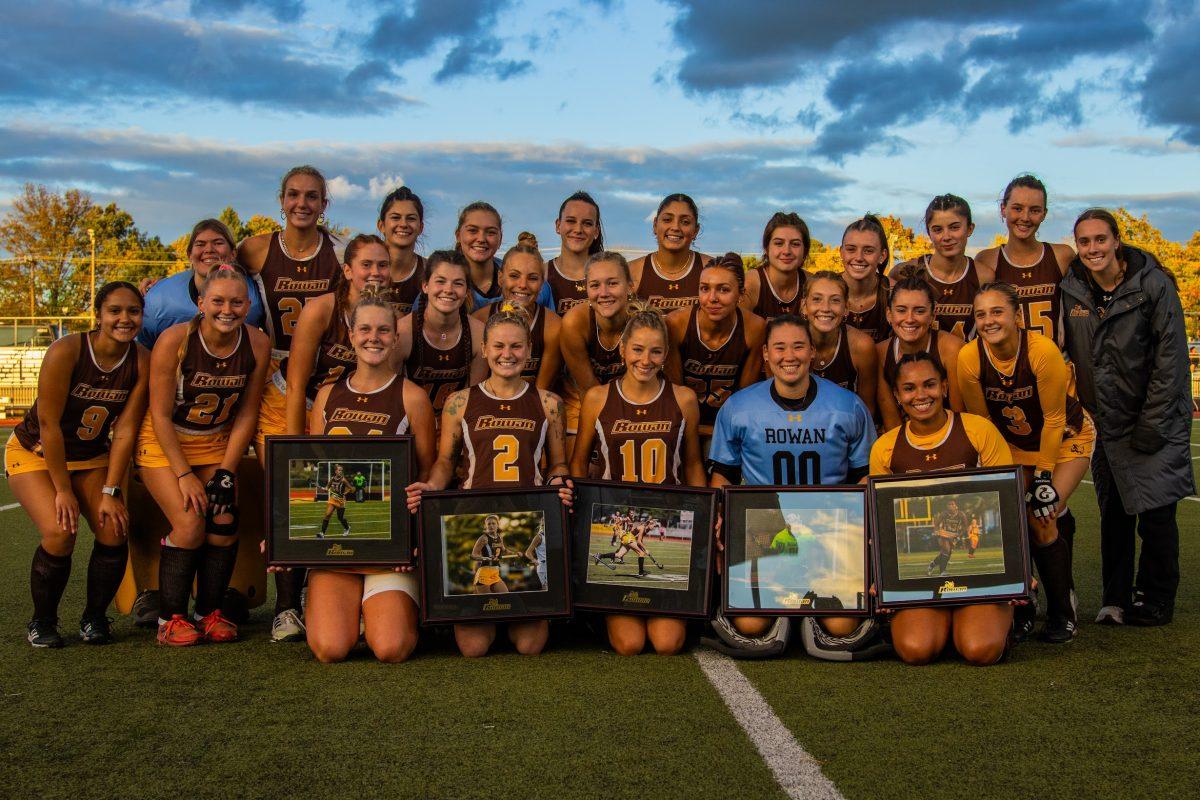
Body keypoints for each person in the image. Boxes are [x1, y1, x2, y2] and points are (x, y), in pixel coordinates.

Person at [707, 315, 877, 658]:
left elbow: (864, 477)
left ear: (812, 351)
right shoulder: (740, 407)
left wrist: (861, 535)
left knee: (841, 625)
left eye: (798, 346)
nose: (790, 356)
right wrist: (722, 520)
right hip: (765, 528)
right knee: (751, 625)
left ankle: (806, 613)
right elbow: (723, 475)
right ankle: (787, 608)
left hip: (827, 527)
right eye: (780, 347)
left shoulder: (846, 405)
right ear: (766, 354)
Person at [405, 305, 571, 657]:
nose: (506, 355)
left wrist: (560, 483)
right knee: (473, 647)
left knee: (530, 646)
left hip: (526, 517)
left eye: (515, 346)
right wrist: (433, 487)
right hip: (474, 509)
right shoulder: (460, 402)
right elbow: (445, 462)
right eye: (498, 346)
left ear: (528, 350)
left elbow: (557, 463)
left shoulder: (549, 403)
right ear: (485, 347)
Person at [1060, 209, 1194, 626]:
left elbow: (1170, 361)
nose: (1093, 248)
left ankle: (1156, 599)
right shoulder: (1072, 289)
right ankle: (1114, 598)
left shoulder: (1153, 285)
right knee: (1114, 515)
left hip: (1151, 416)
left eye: (1101, 239)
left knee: (1156, 514)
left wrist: (1152, 424)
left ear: (1117, 241)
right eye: (1085, 242)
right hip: (1103, 420)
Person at [8, 283, 150, 647]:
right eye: (115, 310)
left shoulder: (141, 360)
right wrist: (62, 490)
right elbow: (49, 425)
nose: (124, 318)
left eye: (133, 311)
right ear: (98, 314)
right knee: (60, 531)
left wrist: (110, 490)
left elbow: (126, 430)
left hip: (90, 457)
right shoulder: (67, 350)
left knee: (113, 528)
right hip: (35, 453)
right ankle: (42, 621)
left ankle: (95, 617)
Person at [135, 266, 271, 646]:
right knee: (192, 523)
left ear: (248, 305)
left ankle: (208, 611)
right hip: (166, 442)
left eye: (236, 302)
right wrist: (183, 475)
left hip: (214, 441)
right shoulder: (175, 341)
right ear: (200, 303)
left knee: (224, 518)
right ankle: (170, 617)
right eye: (218, 301)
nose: (227, 309)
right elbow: (160, 415)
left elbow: (246, 411)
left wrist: (226, 471)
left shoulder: (257, 342)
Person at [238, 165, 342, 642]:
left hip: (323, 377)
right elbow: (217, 286)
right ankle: (285, 606)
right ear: (281, 199)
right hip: (276, 378)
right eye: (294, 195)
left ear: (325, 204)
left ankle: (313, 590)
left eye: (313, 197)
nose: (303, 203)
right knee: (283, 487)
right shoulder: (255, 248)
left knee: (317, 486)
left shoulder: (338, 254)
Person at [305, 293, 436, 663]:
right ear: (350, 335)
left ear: (396, 338)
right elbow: (312, 470)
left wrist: (411, 534)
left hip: (389, 550)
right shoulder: (328, 395)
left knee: (391, 648)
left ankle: (389, 606)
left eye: (383, 330)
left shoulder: (412, 398)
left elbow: (426, 472)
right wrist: (289, 539)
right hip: (339, 552)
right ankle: (339, 605)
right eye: (364, 329)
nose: (373, 337)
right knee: (331, 648)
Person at [959, 282, 1091, 642]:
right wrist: (997, 475)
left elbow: (1053, 419)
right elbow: (983, 423)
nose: (988, 320)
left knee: (1041, 514)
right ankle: (1023, 604)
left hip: (1065, 439)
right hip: (1014, 445)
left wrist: (1044, 476)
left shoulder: (1042, 351)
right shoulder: (970, 357)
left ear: (1017, 315)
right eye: (981, 314)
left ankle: (1064, 610)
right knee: (1005, 516)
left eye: (997, 311)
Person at [571, 304, 706, 655]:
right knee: (629, 644)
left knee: (667, 643)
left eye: (656, 351)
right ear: (622, 348)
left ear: (666, 355)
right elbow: (579, 465)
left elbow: (692, 465)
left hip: (669, 518)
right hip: (616, 517)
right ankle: (595, 612)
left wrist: (704, 520)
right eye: (638, 349)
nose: (645, 359)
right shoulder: (598, 398)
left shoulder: (683, 399)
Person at [869, 352, 1018, 665]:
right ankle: (944, 621)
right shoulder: (885, 446)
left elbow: (1009, 506)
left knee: (981, 650)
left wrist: (1019, 573)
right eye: (909, 388)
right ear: (897, 396)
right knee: (916, 649)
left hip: (978, 579)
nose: (921, 395)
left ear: (945, 387)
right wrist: (881, 579)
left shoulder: (978, 431)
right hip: (919, 585)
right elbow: (880, 524)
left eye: (929, 385)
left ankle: (988, 617)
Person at [284, 234, 391, 435]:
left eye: (383, 265)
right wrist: (295, 447)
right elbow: (294, 386)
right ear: (348, 271)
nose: (376, 272)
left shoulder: (392, 317)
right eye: (366, 265)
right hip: (297, 404)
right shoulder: (321, 309)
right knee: (292, 466)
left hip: (343, 412)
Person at [665, 253, 765, 441]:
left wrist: (721, 434)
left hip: (729, 426)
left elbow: (745, 401)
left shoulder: (755, 328)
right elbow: (674, 397)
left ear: (741, 294)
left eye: (723, 290)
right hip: (683, 423)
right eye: (704, 289)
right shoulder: (677, 323)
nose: (712, 298)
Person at [974, 175, 1074, 344]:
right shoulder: (987, 260)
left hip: (1053, 363)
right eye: (1017, 208)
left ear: (1044, 214)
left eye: (1034, 210)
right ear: (1003, 209)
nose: (1025, 217)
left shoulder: (1061, 255)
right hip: (1007, 365)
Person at [139, 219, 264, 348]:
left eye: (218, 243)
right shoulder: (158, 299)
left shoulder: (255, 294)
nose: (209, 249)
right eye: (200, 244)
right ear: (189, 255)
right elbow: (143, 351)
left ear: (233, 253)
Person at [395, 250, 487, 418]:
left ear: (467, 290)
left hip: (457, 423)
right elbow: (392, 399)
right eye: (440, 281)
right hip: (411, 424)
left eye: (458, 283)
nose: (448, 290)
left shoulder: (479, 334)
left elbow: (474, 402)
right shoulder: (403, 333)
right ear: (425, 286)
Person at [559, 251, 635, 451]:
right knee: (582, 456)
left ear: (630, 286)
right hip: (581, 398)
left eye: (612, 283)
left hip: (631, 399)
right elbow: (588, 390)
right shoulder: (575, 322)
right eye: (595, 285)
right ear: (586, 289)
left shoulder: (643, 323)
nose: (603, 293)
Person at [896, 195, 994, 341]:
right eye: (937, 230)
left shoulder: (983, 276)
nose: (946, 236)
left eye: (954, 227)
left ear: (970, 228)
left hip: (963, 362)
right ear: (929, 233)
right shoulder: (906, 272)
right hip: (919, 362)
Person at [876, 271, 965, 431]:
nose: (910, 319)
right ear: (889, 314)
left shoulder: (951, 349)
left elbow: (961, 417)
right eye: (901, 310)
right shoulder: (880, 353)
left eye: (919, 311)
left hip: (949, 436)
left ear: (932, 315)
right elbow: (892, 425)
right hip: (906, 440)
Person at [472, 244, 563, 389]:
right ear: (500, 278)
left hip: (532, 405)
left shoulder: (553, 326)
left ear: (541, 284)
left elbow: (541, 391)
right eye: (514, 276)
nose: (522, 285)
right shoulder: (479, 321)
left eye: (532, 278)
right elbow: (477, 388)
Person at [803, 271, 878, 418]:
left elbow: (867, 410)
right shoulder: (788, 342)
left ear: (846, 308)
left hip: (845, 428)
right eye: (817, 299)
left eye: (835, 300)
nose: (825, 308)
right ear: (804, 306)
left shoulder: (861, 346)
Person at [453, 201, 553, 310]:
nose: (481, 239)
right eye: (472, 230)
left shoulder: (538, 287)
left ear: (500, 238)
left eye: (491, 232)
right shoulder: (442, 280)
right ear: (458, 235)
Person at [629, 194, 712, 310]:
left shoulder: (712, 269)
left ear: (695, 231)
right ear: (655, 225)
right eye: (667, 220)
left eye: (685, 222)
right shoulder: (632, 271)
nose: (675, 227)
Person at [741, 212, 808, 319]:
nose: (786, 251)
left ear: (805, 250)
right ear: (766, 248)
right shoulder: (750, 284)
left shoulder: (811, 283)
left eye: (795, 244)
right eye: (778, 243)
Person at [547, 191, 604, 315]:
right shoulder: (541, 275)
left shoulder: (609, 273)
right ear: (558, 225)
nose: (578, 229)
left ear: (596, 231)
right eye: (571, 221)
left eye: (587, 223)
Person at [840, 214, 893, 343]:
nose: (859, 257)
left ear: (882, 255)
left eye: (868, 251)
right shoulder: (825, 289)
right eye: (851, 249)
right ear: (841, 252)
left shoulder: (893, 292)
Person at [376, 186, 426, 315]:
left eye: (411, 218)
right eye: (395, 217)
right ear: (381, 225)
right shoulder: (365, 268)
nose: (403, 224)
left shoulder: (429, 271)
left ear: (420, 227)